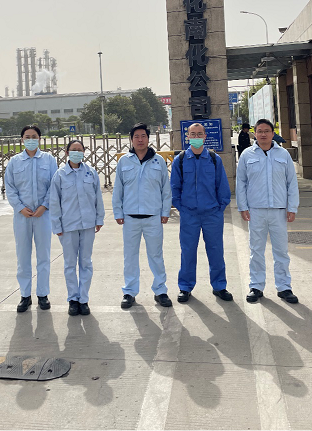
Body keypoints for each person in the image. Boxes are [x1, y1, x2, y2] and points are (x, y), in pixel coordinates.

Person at [236, 118, 300, 304]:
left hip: (279, 210)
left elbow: (291, 183)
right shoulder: (247, 155)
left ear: (273, 134)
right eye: (259, 131)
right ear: (254, 134)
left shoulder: (283, 154)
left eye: (266, 131)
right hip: (256, 210)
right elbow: (241, 183)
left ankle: (284, 287)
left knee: (281, 251)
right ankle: (256, 286)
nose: (263, 134)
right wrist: (243, 207)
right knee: (256, 250)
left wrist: (292, 207)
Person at [170, 122, 232, 303]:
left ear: (205, 136)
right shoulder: (180, 160)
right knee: (188, 252)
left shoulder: (214, 159)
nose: (196, 137)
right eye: (193, 134)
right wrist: (182, 208)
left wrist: (220, 208)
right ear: (187, 137)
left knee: (216, 251)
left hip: (212, 214)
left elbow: (222, 186)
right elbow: (174, 187)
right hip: (189, 215)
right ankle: (185, 287)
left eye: (199, 134)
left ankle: (219, 286)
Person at [112, 123, 172, 309]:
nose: (140, 140)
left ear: (148, 138)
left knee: (156, 255)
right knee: (130, 257)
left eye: (143, 136)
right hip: (130, 218)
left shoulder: (158, 161)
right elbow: (118, 189)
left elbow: (166, 189)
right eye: (136, 136)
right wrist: (118, 211)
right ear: (131, 139)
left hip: (153, 217)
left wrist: (165, 211)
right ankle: (129, 292)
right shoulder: (124, 161)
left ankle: (160, 290)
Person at [4, 125, 58, 312]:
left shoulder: (49, 160)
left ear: (40, 139)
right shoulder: (14, 162)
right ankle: (25, 296)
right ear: (22, 140)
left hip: (43, 215)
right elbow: (10, 188)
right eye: (27, 137)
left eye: (34, 136)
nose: (31, 140)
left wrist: (44, 206)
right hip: (22, 216)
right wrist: (19, 208)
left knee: (44, 256)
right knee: (23, 257)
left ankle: (43, 294)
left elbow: (54, 186)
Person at [49, 140, 105, 316]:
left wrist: (99, 218)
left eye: (79, 150)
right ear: (67, 153)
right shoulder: (60, 175)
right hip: (68, 226)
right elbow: (54, 201)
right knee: (70, 264)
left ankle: (84, 299)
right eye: (73, 150)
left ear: (84, 152)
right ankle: (73, 299)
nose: (76, 153)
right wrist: (56, 225)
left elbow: (98, 197)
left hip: (88, 224)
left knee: (86, 262)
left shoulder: (91, 173)